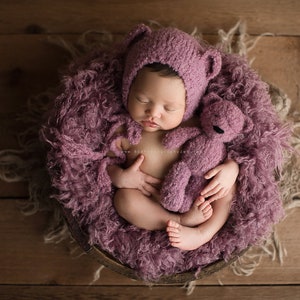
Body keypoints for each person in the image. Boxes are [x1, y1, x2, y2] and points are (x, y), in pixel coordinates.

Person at [107, 26, 239, 251]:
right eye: (142, 99)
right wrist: (121, 178)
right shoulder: (123, 133)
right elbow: (106, 164)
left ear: (189, 104)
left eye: (169, 108)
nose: (153, 113)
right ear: (127, 89)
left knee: (226, 190)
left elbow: (223, 147)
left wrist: (231, 169)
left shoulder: (196, 124)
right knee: (124, 201)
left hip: (198, 194)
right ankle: (179, 222)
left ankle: (204, 232)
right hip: (153, 200)